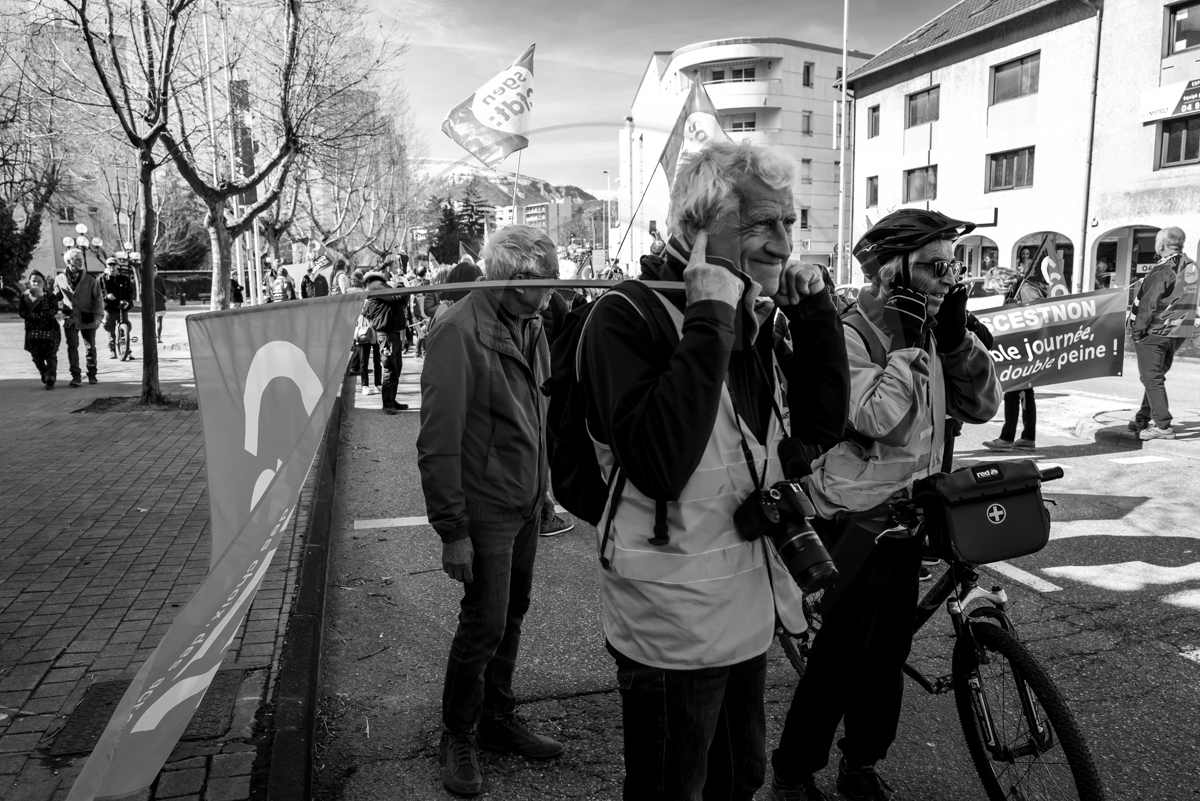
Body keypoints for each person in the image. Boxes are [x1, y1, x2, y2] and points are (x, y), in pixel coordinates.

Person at [581, 141, 850, 801]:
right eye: (763, 223)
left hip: (746, 603)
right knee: (674, 790)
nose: (786, 242)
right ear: (701, 226)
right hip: (671, 623)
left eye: (790, 221)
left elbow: (819, 429)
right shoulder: (625, 314)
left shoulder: (755, 316)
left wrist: (815, 315)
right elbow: (659, 465)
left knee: (740, 778)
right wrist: (708, 318)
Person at [770, 209, 1001, 801]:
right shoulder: (851, 332)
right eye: (934, 266)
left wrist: (956, 342)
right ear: (893, 271)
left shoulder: (937, 329)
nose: (949, 277)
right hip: (855, 515)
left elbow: (982, 407)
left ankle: (860, 762)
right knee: (843, 655)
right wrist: (909, 346)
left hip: (911, 513)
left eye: (954, 265)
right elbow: (883, 421)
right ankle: (793, 770)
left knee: (887, 655)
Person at [416, 226, 563, 797]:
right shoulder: (457, 330)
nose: (554, 289)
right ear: (515, 280)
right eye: (546, 279)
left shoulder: (531, 322)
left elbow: (537, 415)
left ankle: (497, 718)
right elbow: (438, 440)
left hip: (524, 500)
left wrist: (543, 491)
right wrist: (452, 529)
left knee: (512, 614)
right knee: (484, 624)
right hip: (485, 508)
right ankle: (458, 732)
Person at [1128, 226, 1198, 440]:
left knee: (1151, 377)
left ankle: (1162, 425)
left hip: (1156, 330)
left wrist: (1137, 332)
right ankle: (1143, 418)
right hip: (1178, 332)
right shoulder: (1191, 266)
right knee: (1155, 376)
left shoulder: (1162, 269)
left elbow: (1147, 303)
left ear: (1161, 245)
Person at [984, 256, 1049, 452]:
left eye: (995, 288)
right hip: (1024, 348)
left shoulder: (1025, 289)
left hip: (1027, 349)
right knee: (1025, 394)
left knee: (1013, 392)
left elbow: (1038, 315)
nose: (996, 293)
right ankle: (1027, 438)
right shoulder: (1018, 289)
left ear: (1002, 282)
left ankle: (1007, 439)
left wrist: (1014, 309)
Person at [54, 249, 104, 387]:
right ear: (68, 262)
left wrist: (98, 317)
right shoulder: (60, 278)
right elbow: (56, 298)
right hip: (70, 318)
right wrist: (57, 314)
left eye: (81, 258)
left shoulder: (90, 278)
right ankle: (76, 376)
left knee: (90, 347)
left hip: (88, 317)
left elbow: (98, 300)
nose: (80, 261)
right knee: (72, 346)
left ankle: (92, 374)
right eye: (76, 259)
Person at [362, 271, 410, 414]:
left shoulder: (377, 289)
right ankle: (388, 404)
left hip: (391, 333)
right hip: (388, 335)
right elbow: (401, 297)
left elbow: (400, 301)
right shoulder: (378, 287)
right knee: (390, 369)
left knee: (395, 368)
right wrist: (400, 283)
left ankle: (391, 400)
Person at [19, 271, 61, 389]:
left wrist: (40, 316)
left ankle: (50, 379)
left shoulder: (50, 296)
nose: (36, 283)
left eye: (39, 281)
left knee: (51, 355)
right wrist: (30, 316)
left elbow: (54, 310)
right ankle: (44, 372)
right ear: (30, 282)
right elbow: (21, 311)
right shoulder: (24, 296)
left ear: (43, 282)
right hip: (32, 330)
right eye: (34, 281)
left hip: (50, 329)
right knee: (36, 357)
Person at [154, 272, 167, 341]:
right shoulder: (159, 279)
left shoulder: (145, 279)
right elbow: (164, 292)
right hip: (159, 302)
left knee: (150, 322)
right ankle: (158, 337)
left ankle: (152, 337)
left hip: (149, 303)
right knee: (159, 321)